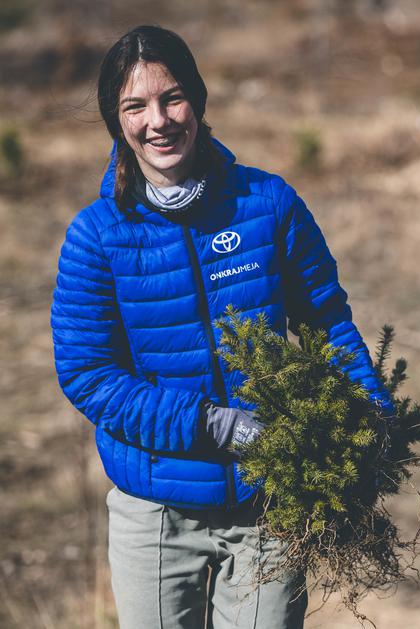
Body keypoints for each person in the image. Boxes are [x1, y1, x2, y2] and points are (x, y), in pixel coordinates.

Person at [51, 25, 393, 629]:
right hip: (156, 507)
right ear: (116, 121)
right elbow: (89, 375)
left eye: (172, 98)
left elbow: (326, 323)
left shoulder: (268, 203)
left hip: (271, 499)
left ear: (199, 100)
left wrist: (370, 420)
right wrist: (214, 424)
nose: (158, 121)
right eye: (135, 107)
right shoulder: (97, 236)